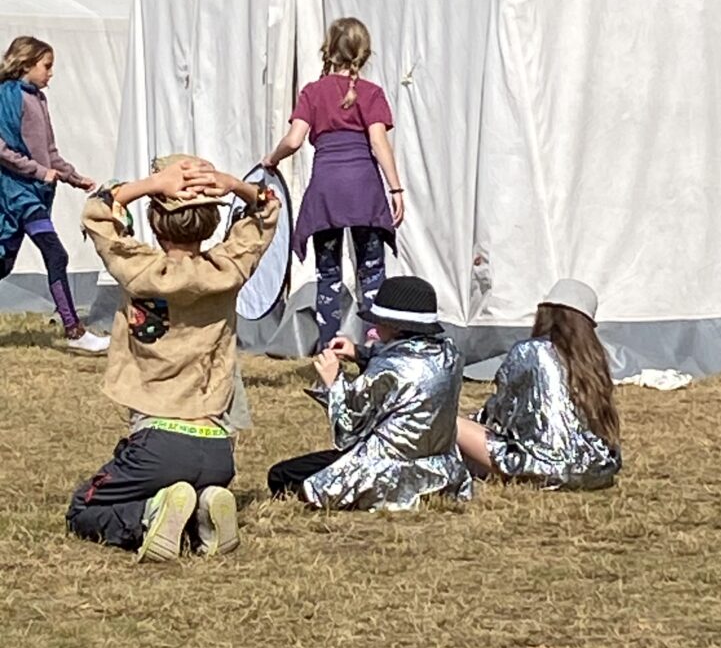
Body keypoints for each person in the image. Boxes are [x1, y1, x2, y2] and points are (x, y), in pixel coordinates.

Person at [66, 155, 280, 561]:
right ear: (213, 222)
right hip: (217, 448)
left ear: (155, 220)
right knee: (187, 488)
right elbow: (268, 208)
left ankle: (149, 514)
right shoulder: (228, 269)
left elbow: (97, 211)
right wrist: (233, 184)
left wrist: (150, 185)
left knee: (84, 507)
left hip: (156, 441)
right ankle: (205, 507)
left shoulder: (139, 269)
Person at [267, 276, 472, 510]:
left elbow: (349, 429)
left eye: (379, 321)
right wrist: (360, 353)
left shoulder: (386, 368)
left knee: (282, 475)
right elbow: (405, 362)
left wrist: (334, 381)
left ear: (395, 326)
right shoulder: (449, 355)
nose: (374, 327)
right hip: (441, 471)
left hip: (386, 472)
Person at [263, 17, 403, 352]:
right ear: (364, 53)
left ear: (328, 50)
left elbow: (294, 140)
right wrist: (396, 188)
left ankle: (329, 350)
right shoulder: (371, 93)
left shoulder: (312, 92)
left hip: (326, 191)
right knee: (372, 273)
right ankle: (372, 348)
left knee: (328, 274)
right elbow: (378, 143)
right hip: (364, 191)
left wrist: (272, 159)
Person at [457, 279, 621, 490]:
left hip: (542, 466)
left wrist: (473, 422)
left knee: (451, 424)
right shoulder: (593, 362)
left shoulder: (530, 351)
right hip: (595, 468)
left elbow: (501, 412)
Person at [0, 35, 105, 355]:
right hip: (17, 194)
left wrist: (74, 178)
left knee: (3, 263)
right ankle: (74, 331)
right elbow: (2, 149)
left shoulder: (39, 100)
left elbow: (50, 153)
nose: (51, 73)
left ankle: (74, 330)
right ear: (26, 64)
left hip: (36, 192)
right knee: (56, 254)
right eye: (46, 66)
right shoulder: (7, 96)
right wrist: (37, 171)